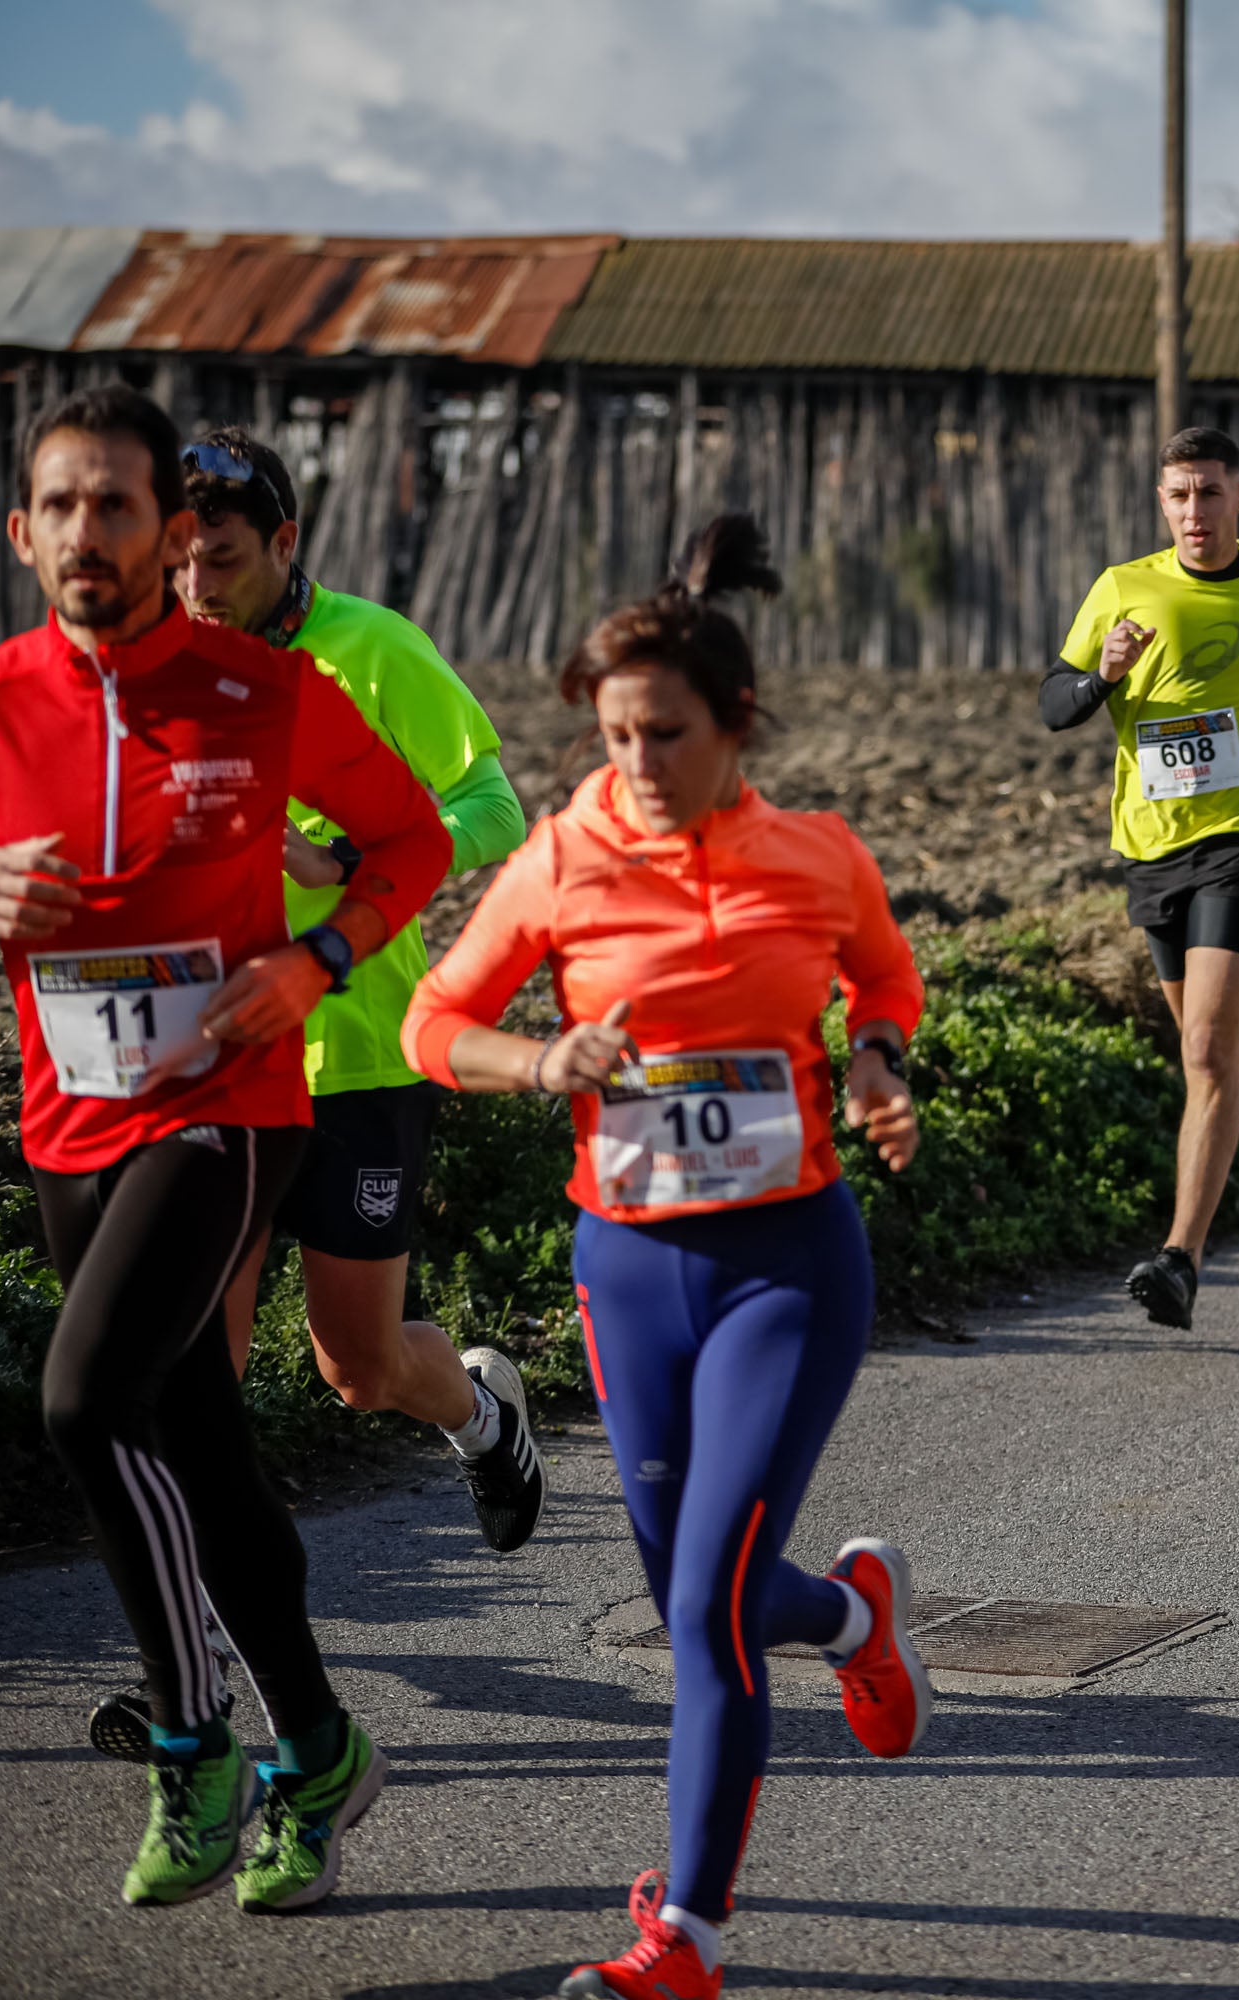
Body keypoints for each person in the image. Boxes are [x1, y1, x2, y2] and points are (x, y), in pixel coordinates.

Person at [0, 386, 453, 1908]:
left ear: (172, 530)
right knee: (201, 1447)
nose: (88, 531)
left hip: (232, 1107)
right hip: (75, 1121)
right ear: (22, 531)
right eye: (59, 505)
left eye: (116, 505)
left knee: (82, 1395)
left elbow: (415, 842)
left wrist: (314, 966)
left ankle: (194, 1741)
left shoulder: (258, 693)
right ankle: (320, 1746)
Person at [403, 517, 934, 2000]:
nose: (635, 763)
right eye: (615, 734)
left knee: (704, 1605)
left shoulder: (816, 856)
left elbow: (881, 977)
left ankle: (684, 1937)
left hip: (787, 1263)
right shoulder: (560, 861)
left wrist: (880, 1064)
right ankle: (851, 1616)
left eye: (665, 734)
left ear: (735, 727)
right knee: (709, 1590)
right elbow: (430, 1024)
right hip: (630, 1271)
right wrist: (538, 1057)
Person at [173, 432, 541, 1529]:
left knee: (359, 1366)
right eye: (180, 560)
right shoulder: (160, 673)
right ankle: (188, 1646)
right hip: (220, 1057)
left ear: (284, 543)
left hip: (362, 1051)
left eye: (224, 557)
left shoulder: (371, 650)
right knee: (202, 1359)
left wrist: (346, 857)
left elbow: (493, 807)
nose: (198, 585)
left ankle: (484, 1417)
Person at [1043, 426, 1239, 1330]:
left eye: (1210, 492)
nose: (1194, 510)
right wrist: (1103, 673)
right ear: (1162, 502)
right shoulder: (1124, 587)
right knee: (1207, 1039)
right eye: (1179, 495)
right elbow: (1054, 704)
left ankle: (1180, 1257)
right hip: (1153, 842)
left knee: (1207, 1049)